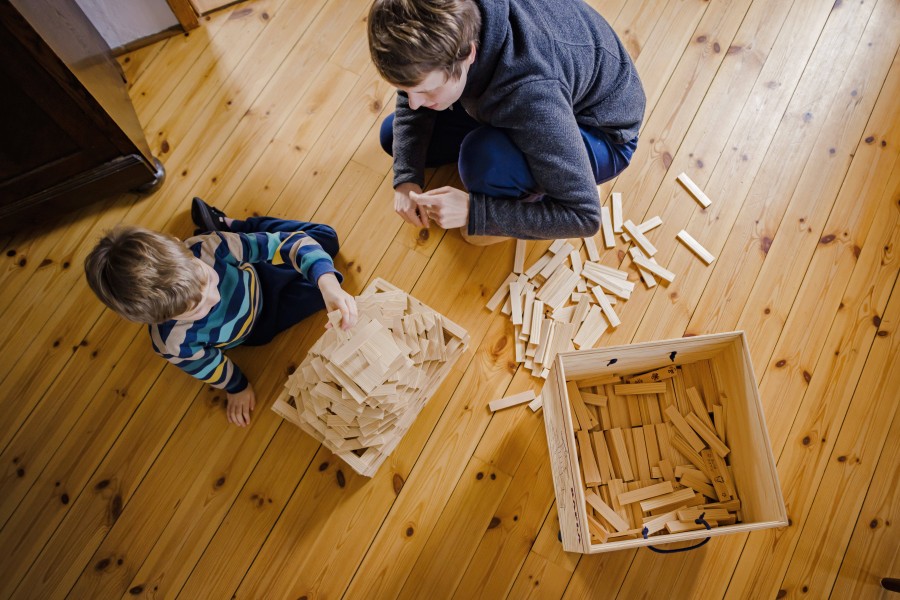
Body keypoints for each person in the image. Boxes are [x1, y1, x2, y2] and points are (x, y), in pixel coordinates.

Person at [368, 0, 645, 242]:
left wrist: (474, 212)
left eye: (427, 91)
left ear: (469, 55)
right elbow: (415, 90)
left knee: (482, 160)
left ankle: (527, 195)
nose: (413, 102)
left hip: (602, 132)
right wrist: (406, 178)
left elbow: (584, 217)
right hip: (540, 90)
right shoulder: (452, 28)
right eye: (407, 90)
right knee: (393, 137)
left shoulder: (532, 94)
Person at [84, 198, 358, 427]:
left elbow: (287, 245)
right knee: (327, 283)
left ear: (183, 248)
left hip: (260, 272)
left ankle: (237, 226)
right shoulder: (173, 342)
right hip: (258, 327)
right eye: (198, 308)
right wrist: (236, 387)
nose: (213, 297)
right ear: (162, 319)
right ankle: (255, 241)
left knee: (325, 242)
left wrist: (326, 284)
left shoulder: (209, 248)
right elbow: (208, 366)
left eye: (206, 279)